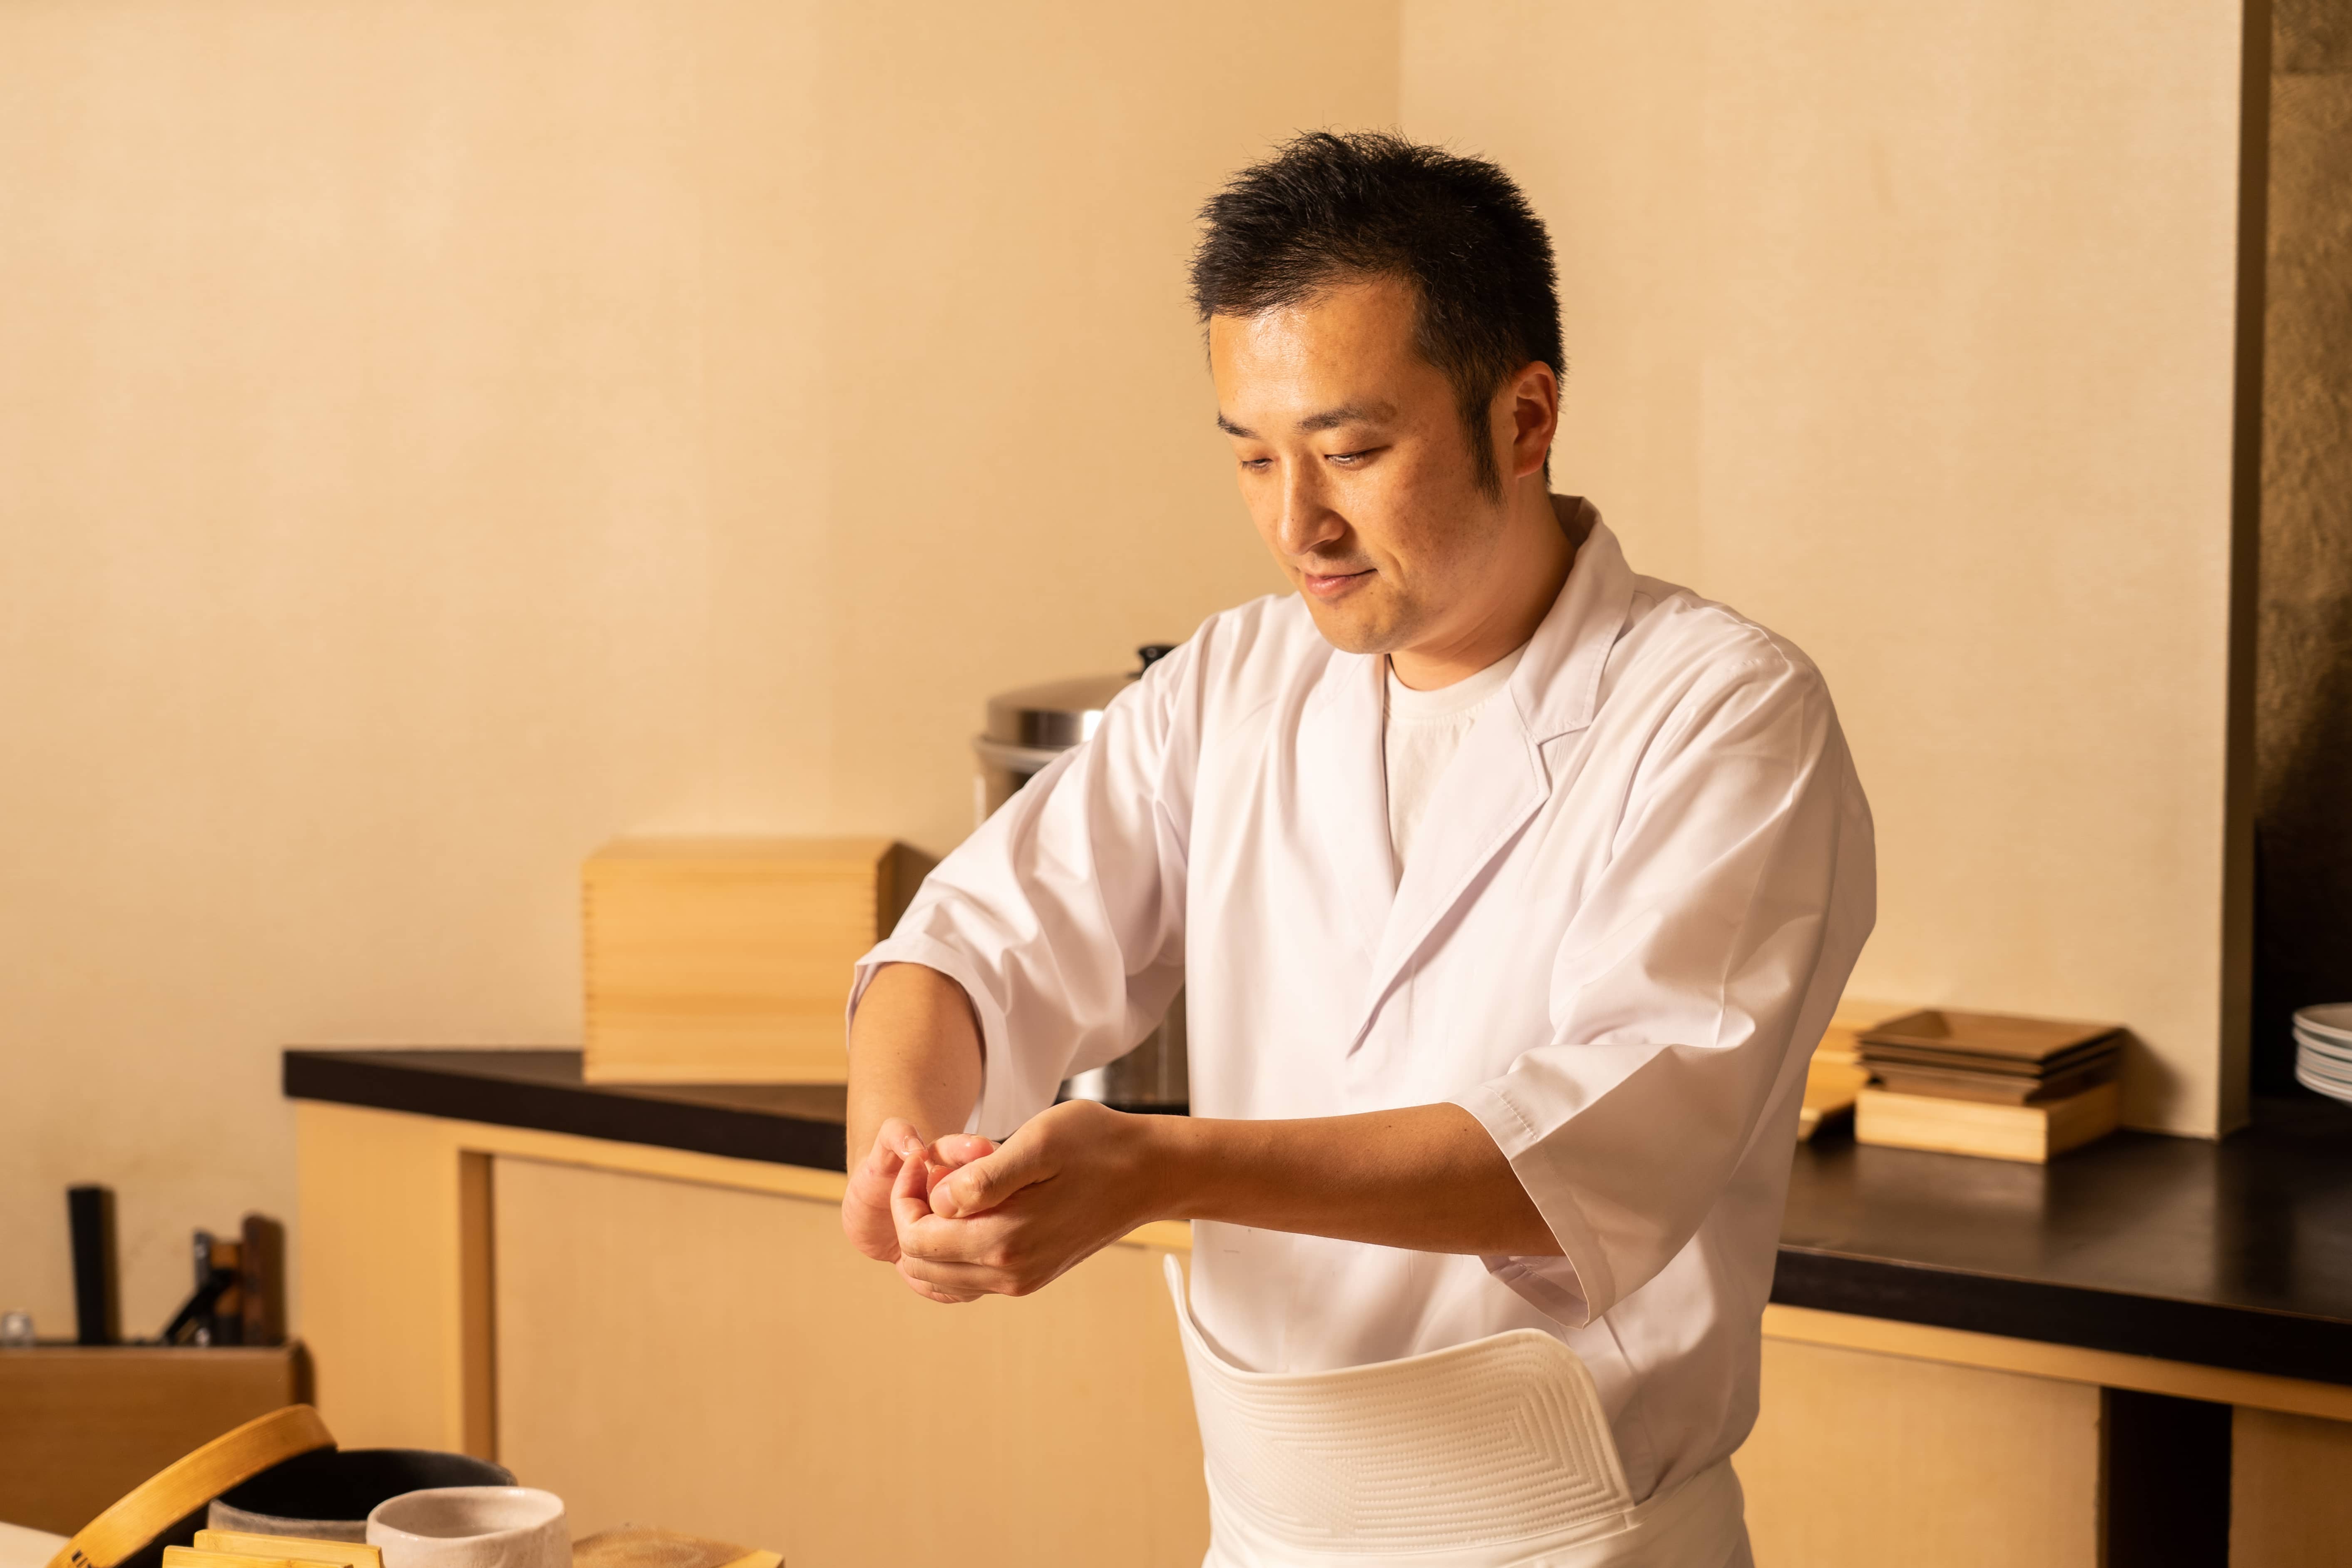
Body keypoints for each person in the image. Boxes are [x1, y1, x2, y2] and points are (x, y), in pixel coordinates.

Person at [840, 130, 1873, 1568]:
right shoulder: (1232, 681)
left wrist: (1161, 1168)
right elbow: (970, 945)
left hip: (1571, 1544)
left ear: (1524, 418)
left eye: (1350, 453)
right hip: (1262, 1533)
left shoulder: (1722, 712)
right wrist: (900, 1140)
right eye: (1251, 457)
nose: (1296, 523)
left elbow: (1590, 1152)